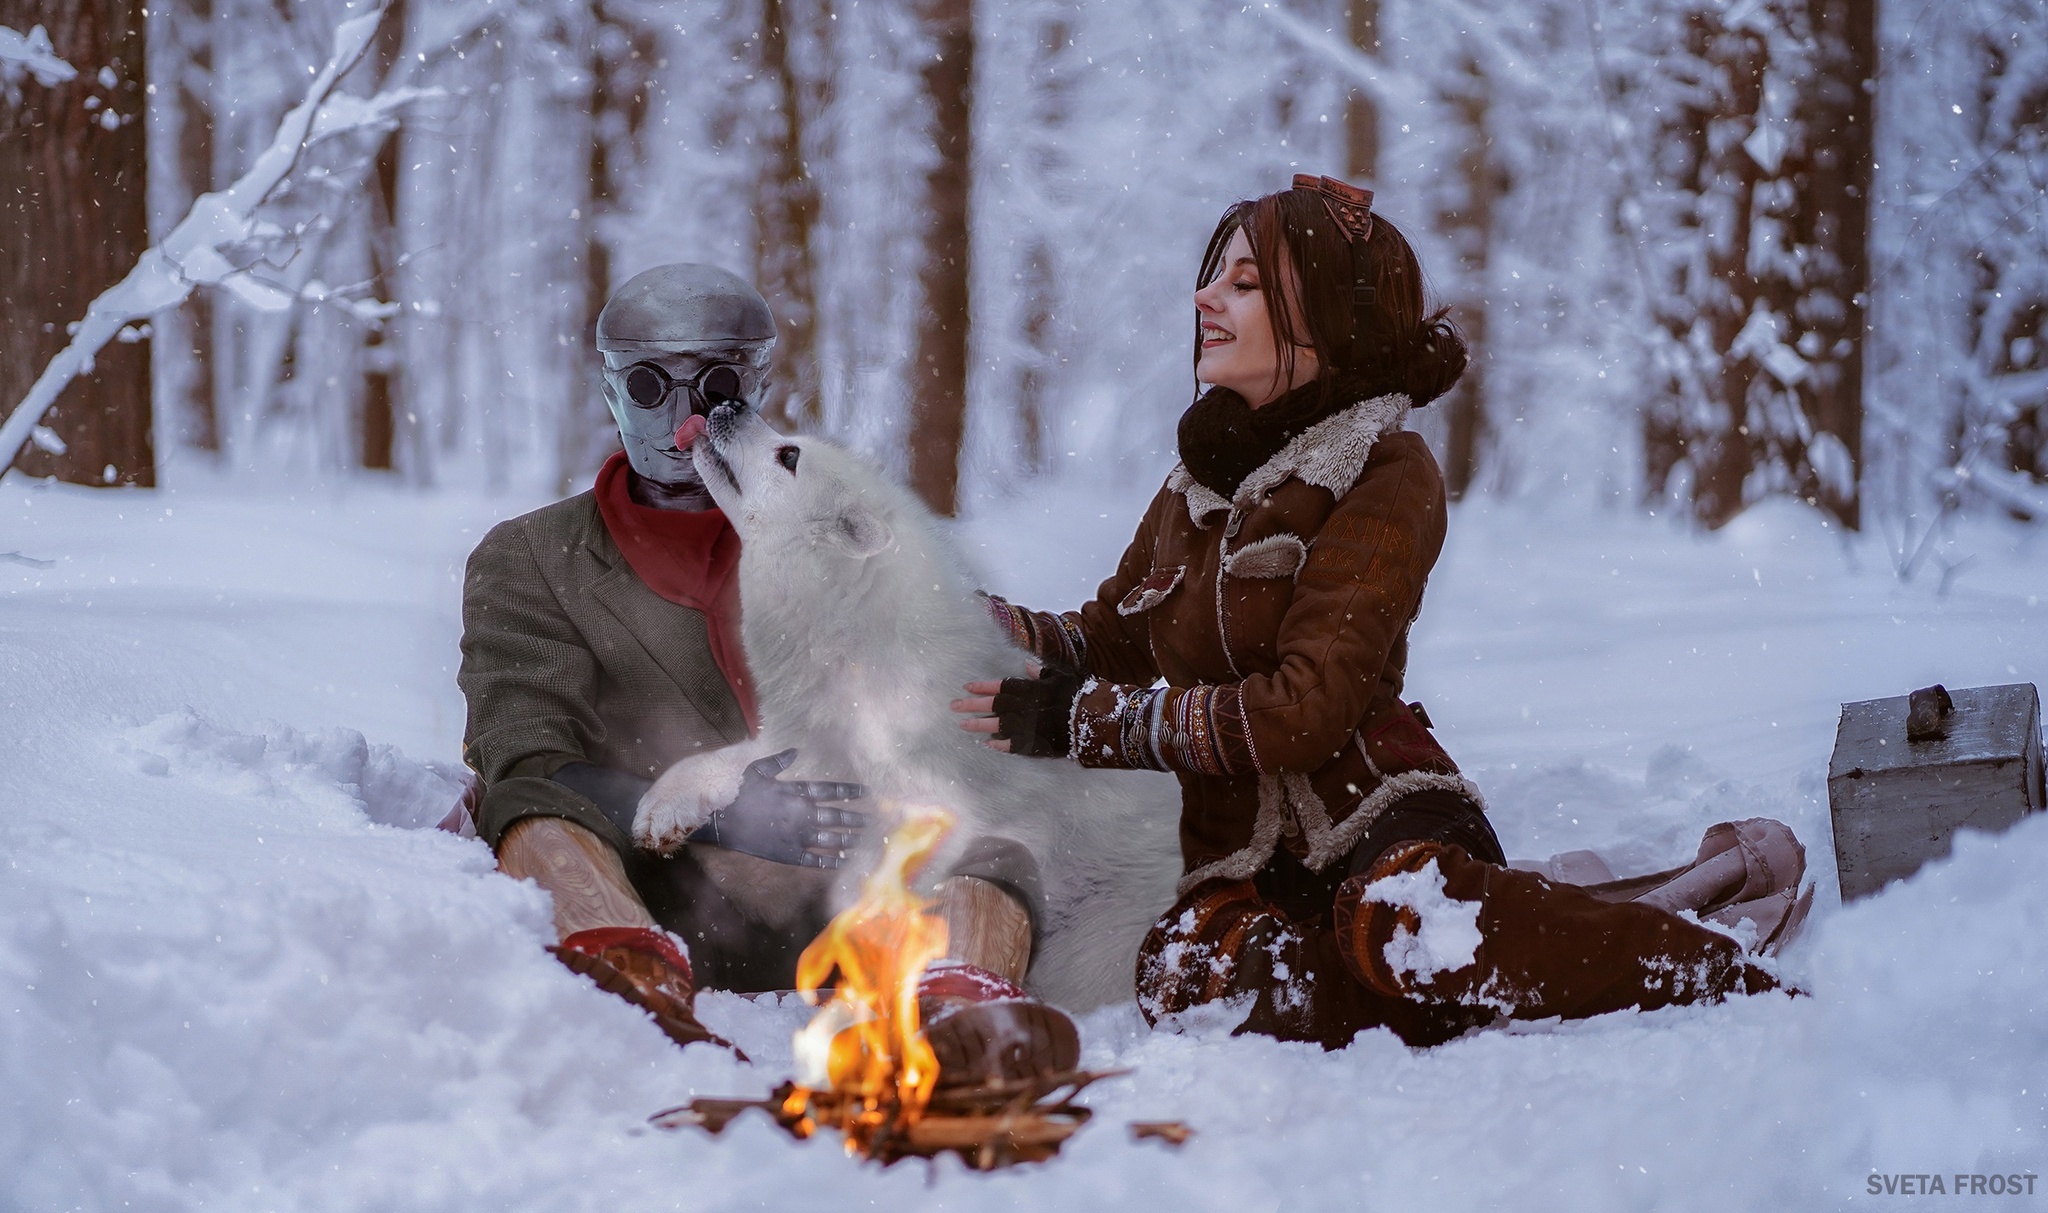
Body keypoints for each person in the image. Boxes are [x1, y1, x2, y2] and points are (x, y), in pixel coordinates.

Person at [951, 177, 1804, 1048]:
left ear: (1326, 319)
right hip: (1239, 863)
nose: (1206, 297)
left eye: (1245, 284)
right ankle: (1465, 968)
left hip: (1376, 822)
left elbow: (1306, 706)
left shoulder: (1383, 471)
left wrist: (1094, 723)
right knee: (1185, 979)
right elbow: (1111, 638)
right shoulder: (1194, 489)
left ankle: (1696, 964)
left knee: (1398, 922)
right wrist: (977, 625)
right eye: (1216, 277)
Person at [461, 263, 1077, 1077]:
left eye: (714, 385)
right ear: (608, 389)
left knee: (990, 839)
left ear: (755, 386)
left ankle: (957, 1011)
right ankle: (621, 975)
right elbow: (526, 757)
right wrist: (721, 815)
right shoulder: (534, 558)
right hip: (664, 891)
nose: (683, 415)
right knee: (525, 802)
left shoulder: (828, 532)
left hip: (847, 899)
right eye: (649, 384)